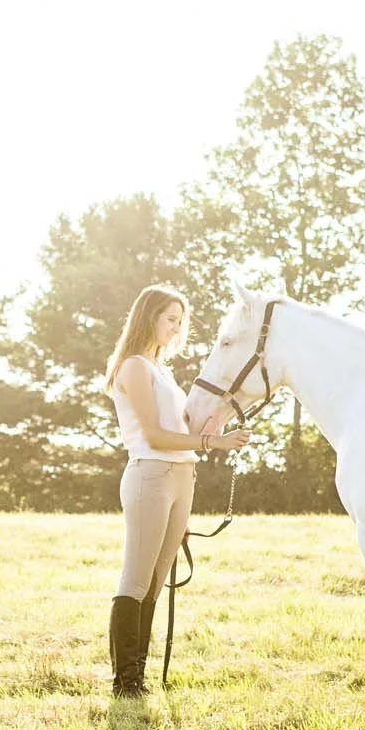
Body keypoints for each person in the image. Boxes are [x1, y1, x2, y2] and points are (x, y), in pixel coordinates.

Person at [103, 285, 251, 696]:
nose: (176, 327)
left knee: (156, 580)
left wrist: (218, 426)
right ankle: (125, 682)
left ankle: (139, 677)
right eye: (170, 318)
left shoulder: (161, 370)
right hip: (150, 474)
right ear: (148, 316)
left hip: (181, 478)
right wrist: (213, 444)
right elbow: (154, 435)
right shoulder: (133, 367)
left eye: (179, 320)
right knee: (136, 577)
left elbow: (181, 430)